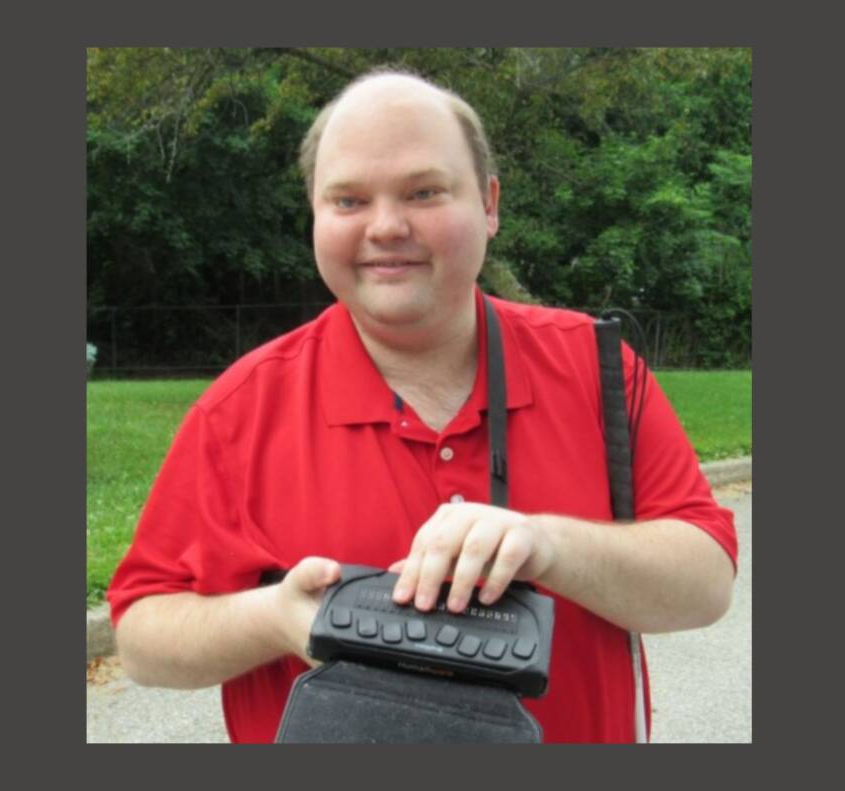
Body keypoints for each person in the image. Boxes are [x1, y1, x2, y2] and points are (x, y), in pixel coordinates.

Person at [106, 68, 738, 743]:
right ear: (314, 215)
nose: (386, 226)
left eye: (424, 192)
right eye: (348, 200)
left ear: (490, 203)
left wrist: (547, 545)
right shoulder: (238, 412)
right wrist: (277, 618)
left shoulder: (598, 368)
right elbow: (142, 638)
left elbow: (705, 582)